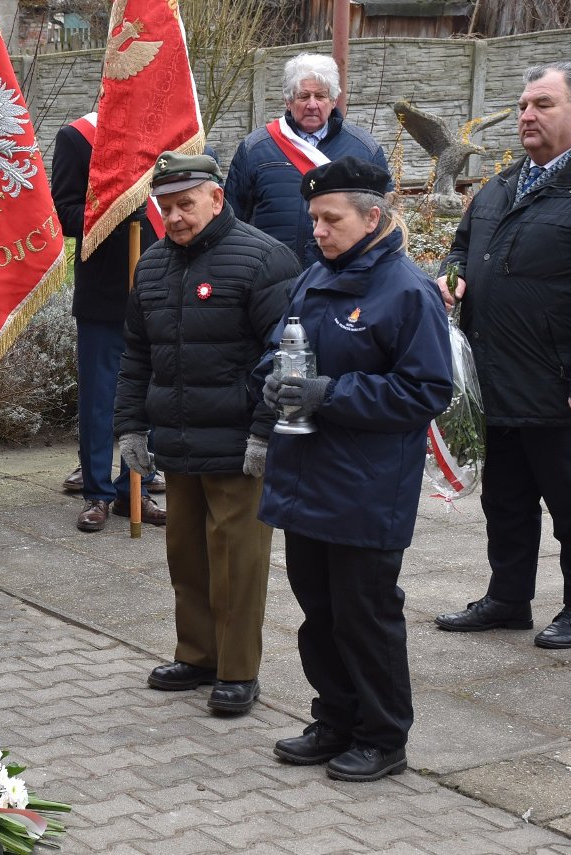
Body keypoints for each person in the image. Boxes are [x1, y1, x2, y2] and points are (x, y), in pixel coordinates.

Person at [257, 157, 451, 782]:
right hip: (306, 473)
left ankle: (383, 736)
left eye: (331, 219)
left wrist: (329, 394)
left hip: (365, 484)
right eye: (313, 218)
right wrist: (272, 380)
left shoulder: (406, 290)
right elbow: (280, 344)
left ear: (373, 217)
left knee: (365, 614)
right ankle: (335, 718)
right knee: (318, 611)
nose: (318, 230)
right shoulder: (315, 276)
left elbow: (425, 391)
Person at [117, 152, 299, 715]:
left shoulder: (264, 259)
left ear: (216, 198)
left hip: (239, 445)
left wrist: (266, 435)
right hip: (178, 441)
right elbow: (136, 356)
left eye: (185, 205)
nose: (173, 217)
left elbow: (287, 358)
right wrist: (129, 427)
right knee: (187, 558)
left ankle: (238, 672)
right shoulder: (151, 267)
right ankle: (196, 656)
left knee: (238, 564)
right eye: (165, 207)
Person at [433, 61, 571, 650]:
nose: (526, 115)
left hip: (561, 388)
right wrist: (452, 275)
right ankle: (508, 598)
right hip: (496, 380)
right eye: (523, 104)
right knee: (507, 500)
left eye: (542, 104)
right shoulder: (503, 184)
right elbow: (461, 247)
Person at [51, 110, 165, 533]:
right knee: (101, 400)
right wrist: (114, 214)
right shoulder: (77, 137)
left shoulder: (163, 131)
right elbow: (62, 212)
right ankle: (97, 493)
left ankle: (136, 487)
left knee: (150, 396)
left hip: (155, 286)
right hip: (103, 292)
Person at [224, 53, 390, 266]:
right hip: (271, 279)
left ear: (333, 101)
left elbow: (384, 223)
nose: (312, 105)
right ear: (288, 100)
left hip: (343, 278)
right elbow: (233, 221)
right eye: (303, 96)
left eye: (320, 96)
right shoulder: (254, 149)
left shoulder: (365, 149)